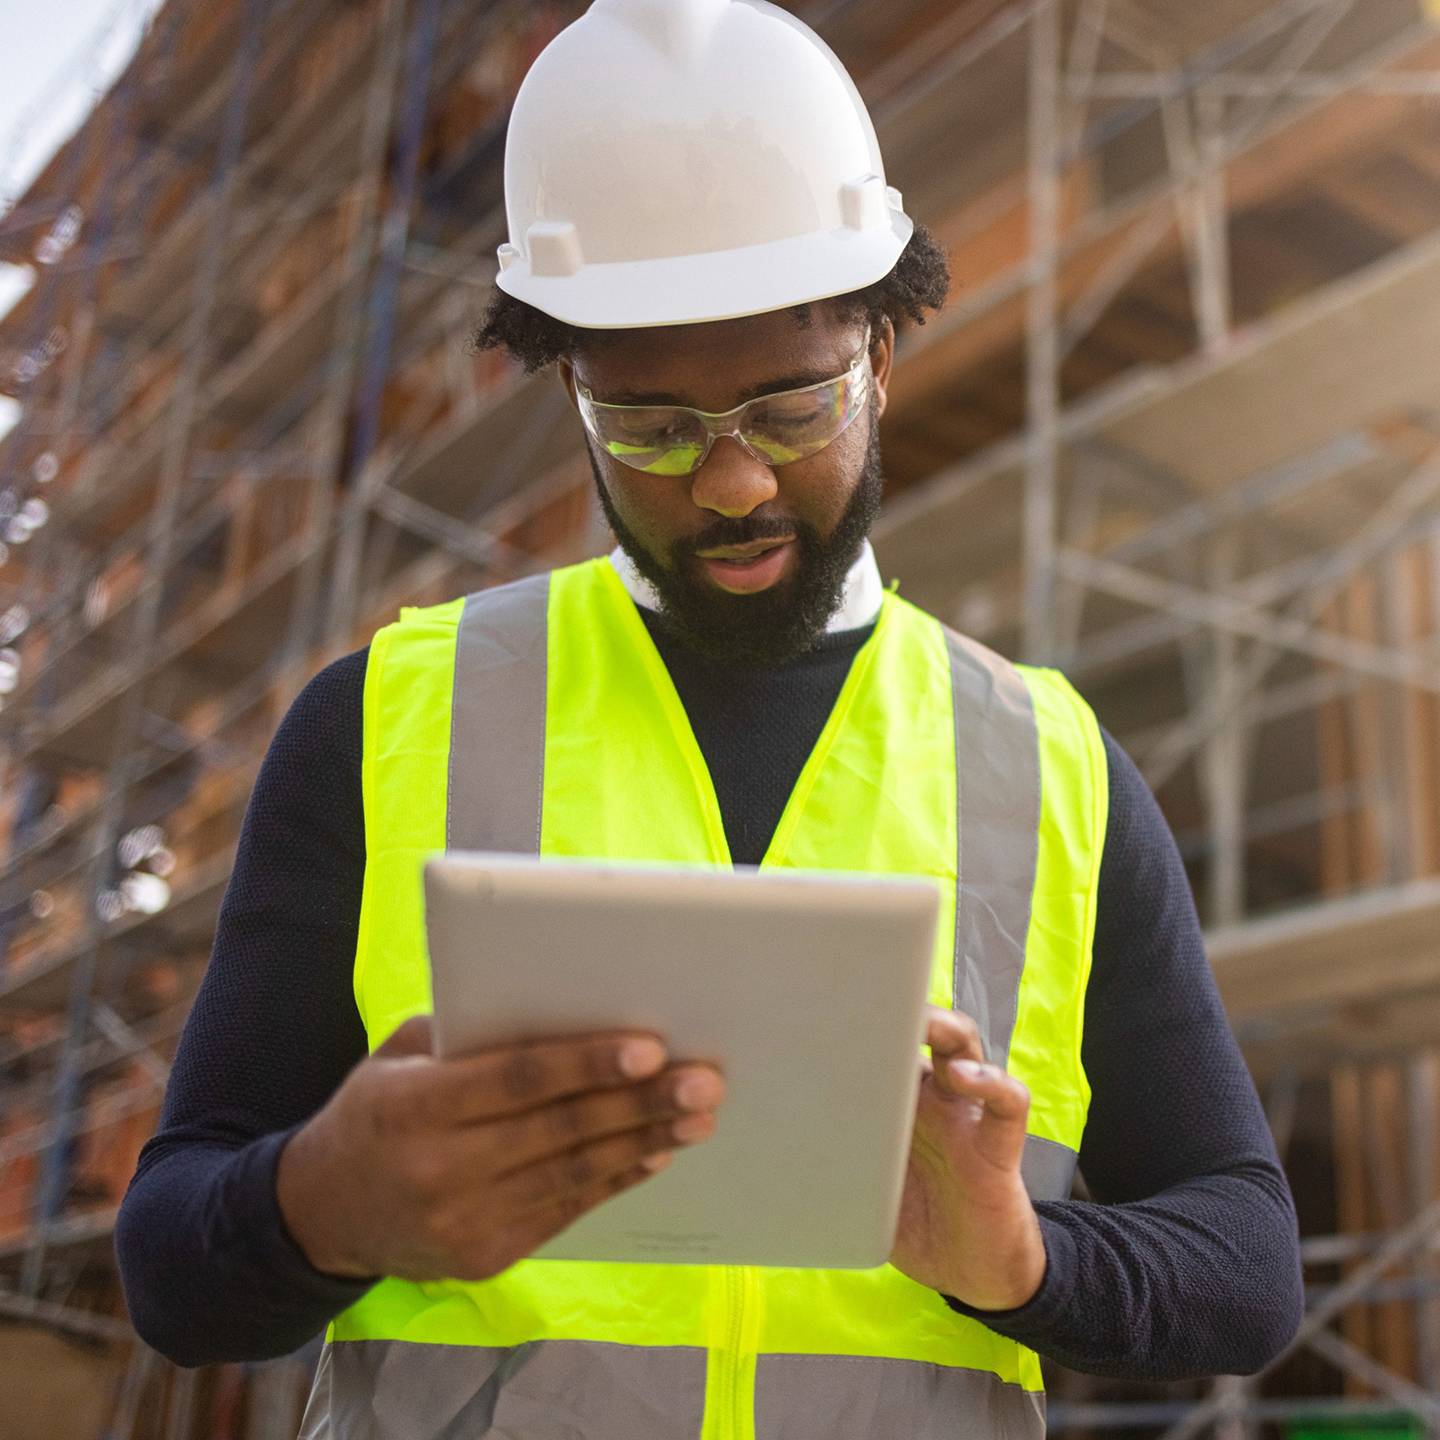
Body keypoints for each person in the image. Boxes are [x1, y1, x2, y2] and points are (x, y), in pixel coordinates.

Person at [115, 1, 1304, 1436]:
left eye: (793, 411)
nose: (730, 483)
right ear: (573, 392)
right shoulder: (384, 722)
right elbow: (174, 1268)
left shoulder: (1053, 767)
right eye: (651, 432)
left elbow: (1246, 1267)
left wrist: (1029, 1262)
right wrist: (319, 1203)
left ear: (879, 352)